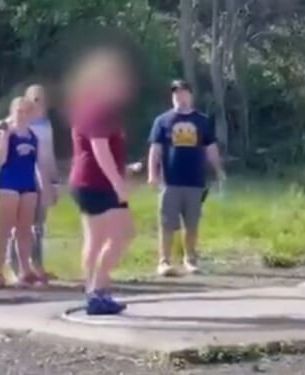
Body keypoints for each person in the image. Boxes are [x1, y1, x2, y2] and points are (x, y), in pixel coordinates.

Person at [66, 48, 136, 315]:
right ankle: (97, 290)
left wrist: (123, 170)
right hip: (96, 183)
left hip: (90, 181)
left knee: (96, 240)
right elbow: (98, 148)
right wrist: (117, 181)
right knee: (122, 234)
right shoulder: (98, 109)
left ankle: (94, 291)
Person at [147, 80, 226, 277]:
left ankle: (190, 260)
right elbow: (155, 150)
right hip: (170, 181)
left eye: (183, 93)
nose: (179, 97)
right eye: (176, 94)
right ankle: (164, 261)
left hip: (195, 180)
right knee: (167, 223)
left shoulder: (201, 121)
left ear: (190, 95)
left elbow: (211, 148)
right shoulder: (162, 121)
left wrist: (218, 170)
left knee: (192, 223)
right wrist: (152, 174)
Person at [0, 97, 54, 289]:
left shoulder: (33, 136)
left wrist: (45, 187)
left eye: (26, 112)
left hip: (28, 185)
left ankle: (24, 270)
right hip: (8, 184)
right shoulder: (7, 132)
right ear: (12, 112)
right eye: (19, 111)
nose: (22, 115)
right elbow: (0, 159)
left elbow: (39, 164)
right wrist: (6, 134)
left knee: (25, 230)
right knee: (4, 229)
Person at [3, 84, 59, 283]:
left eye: (42, 98)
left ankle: (37, 266)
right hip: (26, 178)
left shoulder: (45, 123)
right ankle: (14, 267)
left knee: (38, 227)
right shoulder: (19, 121)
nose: (39, 103)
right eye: (35, 99)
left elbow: (48, 153)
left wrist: (54, 181)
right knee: (19, 226)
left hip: (45, 178)